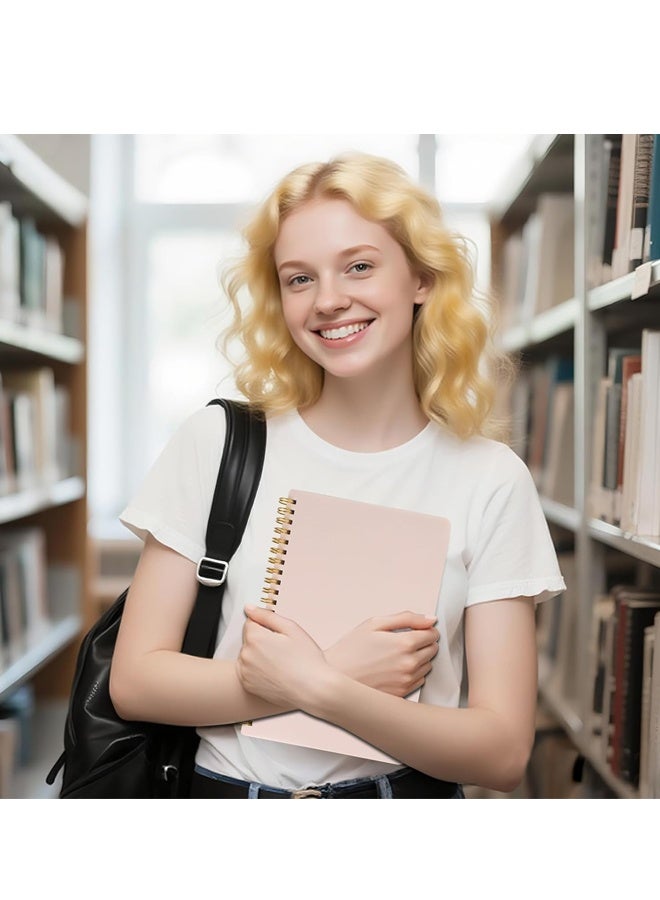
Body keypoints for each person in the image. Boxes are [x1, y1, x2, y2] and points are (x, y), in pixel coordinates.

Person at [110, 151, 566, 799]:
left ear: (422, 279)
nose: (328, 301)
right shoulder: (217, 443)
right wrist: (339, 670)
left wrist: (319, 684)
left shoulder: (491, 479)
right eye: (299, 279)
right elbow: (135, 683)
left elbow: (500, 752)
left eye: (358, 266)